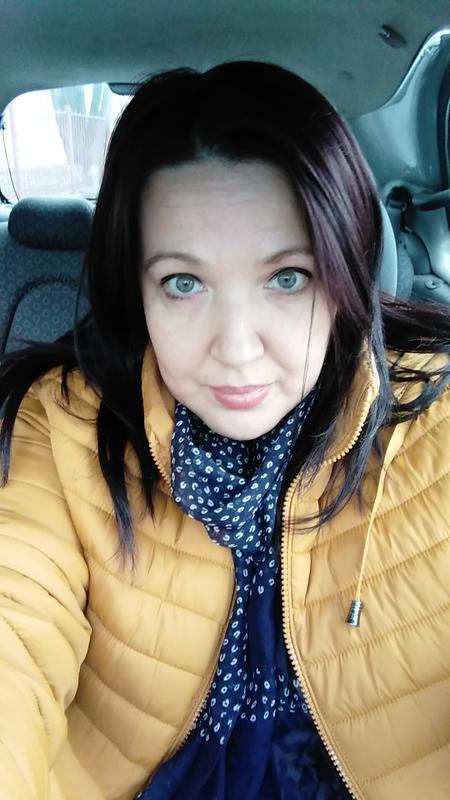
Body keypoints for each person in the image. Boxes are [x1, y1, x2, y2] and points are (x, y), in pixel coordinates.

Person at [0, 61, 449, 800]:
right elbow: (15, 622)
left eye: (287, 278)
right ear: (137, 290)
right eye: (183, 284)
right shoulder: (65, 424)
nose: (236, 349)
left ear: (345, 272)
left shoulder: (435, 420)